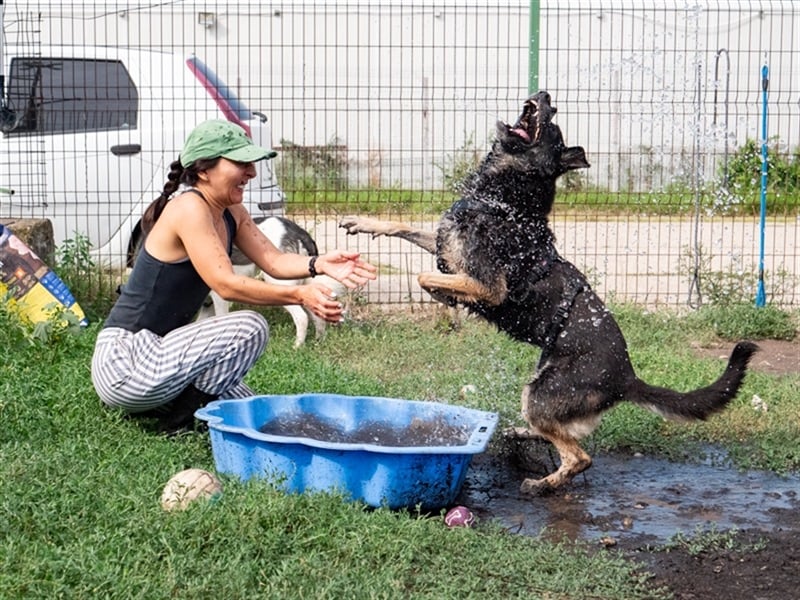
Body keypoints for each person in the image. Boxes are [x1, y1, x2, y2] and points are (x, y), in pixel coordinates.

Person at [91, 119, 377, 433]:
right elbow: (225, 284)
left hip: (161, 359)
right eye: (241, 163)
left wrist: (319, 263)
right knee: (249, 325)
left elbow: (274, 260)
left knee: (254, 409)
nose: (252, 173)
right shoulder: (189, 207)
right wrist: (299, 294)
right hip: (126, 362)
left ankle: (189, 412)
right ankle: (177, 424)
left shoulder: (230, 212)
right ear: (203, 170)